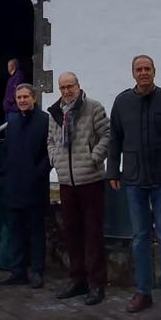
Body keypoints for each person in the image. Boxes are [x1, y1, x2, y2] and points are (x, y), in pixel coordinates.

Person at [107, 54, 161, 316]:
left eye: (147, 69)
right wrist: (112, 171)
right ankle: (143, 292)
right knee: (139, 238)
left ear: (154, 71)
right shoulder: (122, 101)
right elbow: (115, 137)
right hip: (134, 179)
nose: (143, 73)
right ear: (133, 73)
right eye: (139, 69)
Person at [47, 71, 110, 303]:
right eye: (62, 87)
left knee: (93, 233)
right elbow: (51, 141)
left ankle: (96, 283)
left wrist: (94, 157)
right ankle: (77, 279)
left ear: (78, 85)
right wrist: (56, 160)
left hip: (90, 180)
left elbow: (107, 135)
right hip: (66, 181)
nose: (66, 91)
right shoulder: (54, 113)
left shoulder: (93, 107)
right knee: (71, 232)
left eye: (70, 86)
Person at [0, 83, 50, 289]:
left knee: (37, 231)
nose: (22, 100)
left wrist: (38, 173)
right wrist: (5, 171)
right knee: (16, 231)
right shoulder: (12, 120)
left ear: (34, 98)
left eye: (26, 97)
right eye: (19, 97)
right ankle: (17, 271)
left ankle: (37, 271)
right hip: (14, 185)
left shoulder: (45, 120)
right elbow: (6, 149)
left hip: (35, 186)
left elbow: (49, 152)